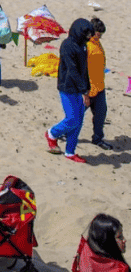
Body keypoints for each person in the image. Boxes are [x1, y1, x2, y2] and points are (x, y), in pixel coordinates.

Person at [45, 18, 93, 163]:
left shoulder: (83, 45)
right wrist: (84, 91)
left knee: (78, 122)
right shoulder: (67, 45)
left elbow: (84, 68)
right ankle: (52, 134)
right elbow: (72, 70)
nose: (89, 37)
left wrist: (87, 87)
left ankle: (70, 151)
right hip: (67, 87)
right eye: (86, 34)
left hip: (80, 87)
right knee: (72, 119)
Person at [87, 17, 112, 150]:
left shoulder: (97, 43)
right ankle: (59, 133)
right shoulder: (85, 44)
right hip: (87, 89)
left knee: (101, 114)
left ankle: (98, 139)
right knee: (74, 116)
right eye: (98, 34)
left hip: (100, 87)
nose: (100, 36)